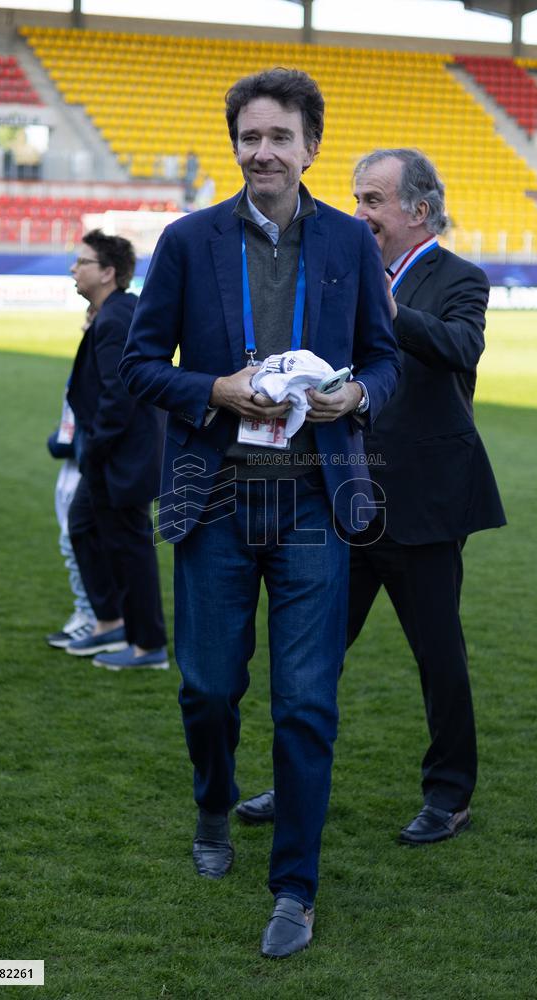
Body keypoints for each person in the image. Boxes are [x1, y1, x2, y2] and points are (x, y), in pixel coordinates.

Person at [119, 69, 399, 958]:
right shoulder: (187, 239)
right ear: (234, 144)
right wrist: (215, 389)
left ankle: (295, 887)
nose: (264, 152)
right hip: (215, 498)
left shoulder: (351, 242)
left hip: (315, 498)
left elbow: (386, 361)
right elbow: (137, 365)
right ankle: (213, 802)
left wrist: (356, 395)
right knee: (208, 687)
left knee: (306, 703)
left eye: (280, 137)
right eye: (250, 137)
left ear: (311, 146)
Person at [236, 148, 506, 846]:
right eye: (356, 198)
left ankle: (449, 795)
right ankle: (294, 782)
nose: (358, 212)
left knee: (438, 657)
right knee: (314, 656)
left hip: (425, 505)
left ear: (420, 211)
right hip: (344, 497)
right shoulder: (344, 271)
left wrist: (389, 308)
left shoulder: (460, 278)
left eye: (373, 200)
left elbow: (461, 348)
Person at [65, 229, 169, 671]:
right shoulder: (114, 312)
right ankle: (111, 621)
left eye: (82, 262)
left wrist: (93, 448)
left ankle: (148, 646)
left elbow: (118, 394)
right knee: (84, 525)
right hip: (117, 453)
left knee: (129, 545)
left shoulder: (115, 318)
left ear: (108, 272)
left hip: (121, 456)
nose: (74, 269)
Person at [44, 306, 96, 650]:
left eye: (91, 318)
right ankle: (88, 613)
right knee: (74, 542)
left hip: (86, 467)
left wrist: (60, 442)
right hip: (74, 467)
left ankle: (92, 616)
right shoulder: (87, 360)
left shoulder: (102, 360)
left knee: (77, 541)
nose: (85, 324)